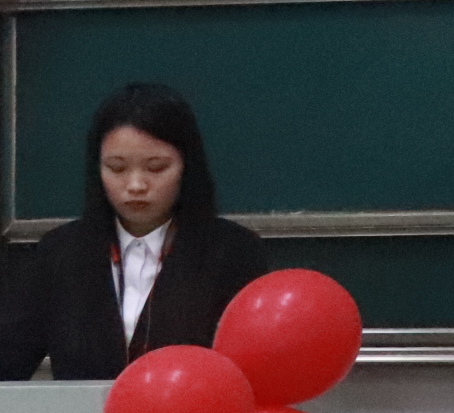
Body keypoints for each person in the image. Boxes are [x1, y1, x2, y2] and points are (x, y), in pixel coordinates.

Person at [0, 82, 269, 381]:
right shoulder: (60, 253)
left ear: (186, 167)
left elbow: (258, 370)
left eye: (156, 167)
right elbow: (9, 361)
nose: (136, 185)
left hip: (194, 410)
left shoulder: (233, 252)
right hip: (86, 412)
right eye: (117, 168)